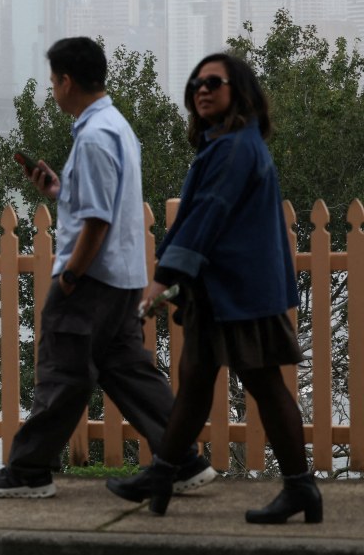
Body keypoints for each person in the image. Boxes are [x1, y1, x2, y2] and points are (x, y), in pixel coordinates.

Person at [0, 38, 214, 498]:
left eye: (52, 81)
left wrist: (69, 276)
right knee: (127, 370)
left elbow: (98, 221)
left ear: (67, 81)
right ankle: (182, 460)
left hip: (90, 280)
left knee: (62, 372)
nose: (52, 90)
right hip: (123, 278)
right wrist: (59, 191)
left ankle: (28, 472)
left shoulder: (93, 137)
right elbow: (100, 204)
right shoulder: (117, 127)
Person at [106, 53, 319, 523]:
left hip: (240, 293)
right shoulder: (222, 145)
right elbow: (196, 219)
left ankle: (301, 489)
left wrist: (163, 278)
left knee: (263, 385)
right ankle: (162, 476)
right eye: (196, 83)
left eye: (214, 83)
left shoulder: (235, 148)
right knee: (195, 384)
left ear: (238, 91)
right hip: (222, 292)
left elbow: (207, 216)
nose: (202, 90)